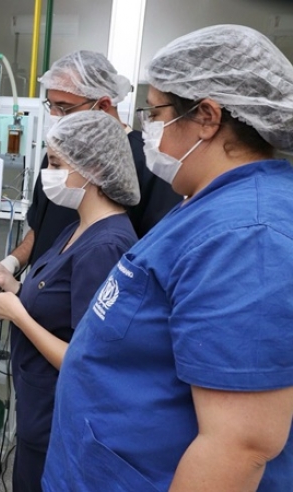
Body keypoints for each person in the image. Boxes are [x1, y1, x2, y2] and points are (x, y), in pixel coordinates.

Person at [43, 25, 293, 492]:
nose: (147, 129)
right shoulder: (206, 206)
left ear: (206, 117)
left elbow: (240, 444)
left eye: (155, 113)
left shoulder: (247, 236)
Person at [0, 111, 139, 492]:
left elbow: (85, 359)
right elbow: (52, 300)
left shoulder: (105, 246)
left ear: (93, 167)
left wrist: (18, 316)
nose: (49, 172)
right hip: (38, 402)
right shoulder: (78, 227)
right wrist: (6, 280)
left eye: (57, 163)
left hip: (59, 413)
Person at [0, 51, 182, 275]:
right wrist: (11, 264)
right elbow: (41, 227)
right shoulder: (58, 155)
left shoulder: (148, 162)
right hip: (40, 295)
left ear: (103, 105)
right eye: (51, 105)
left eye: (64, 107)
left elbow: (155, 251)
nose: (56, 115)